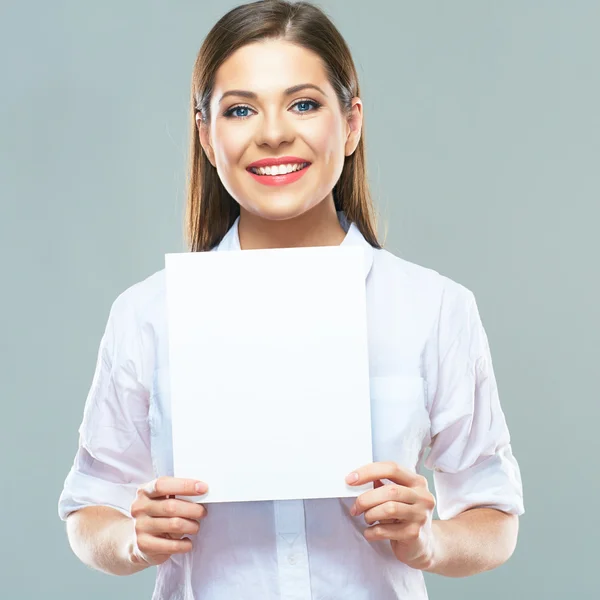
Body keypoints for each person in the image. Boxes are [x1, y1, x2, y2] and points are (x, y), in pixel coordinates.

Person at [58, 1, 524, 598]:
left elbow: (495, 516)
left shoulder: (433, 309)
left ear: (351, 123)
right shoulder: (149, 313)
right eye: (240, 109)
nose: (274, 132)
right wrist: (133, 539)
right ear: (206, 134)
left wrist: (427, 540)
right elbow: (89, 510)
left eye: (303, 103)